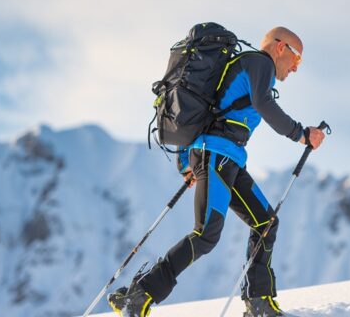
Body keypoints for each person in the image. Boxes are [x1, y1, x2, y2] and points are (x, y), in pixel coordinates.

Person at [109, 26, 326, 317]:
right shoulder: (260, 62)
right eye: (297, 59)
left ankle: (258, 303)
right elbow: (264, 105)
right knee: (206, 234)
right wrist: (301, 134)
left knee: (266, 224)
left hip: (227, 158)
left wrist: (187, 162)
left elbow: (212, 112)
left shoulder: (251, 68)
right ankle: (141, 295)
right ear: (280, 47)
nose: (296, 69)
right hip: (217, 154)